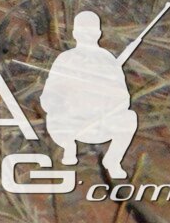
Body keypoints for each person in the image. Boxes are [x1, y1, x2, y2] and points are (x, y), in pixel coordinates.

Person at [39, 10, 138, 180]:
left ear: (98, 33)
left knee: (129, 118)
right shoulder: (66, 59)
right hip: (70, 124)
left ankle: (113, 160)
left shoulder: (108, 60)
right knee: (56, 113)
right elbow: (48, 96)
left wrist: (105, 104)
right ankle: (68, 148)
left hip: (100, 124)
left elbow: (124, 99)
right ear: (76, 34)